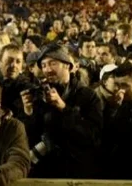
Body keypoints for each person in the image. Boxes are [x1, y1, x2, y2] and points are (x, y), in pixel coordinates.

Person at [20, 44, 103, 179]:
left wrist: (63, 108)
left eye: (53, 63)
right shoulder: (39, 94)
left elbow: (93, 136)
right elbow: (29, 136)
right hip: (44, 170)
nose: (47, 69)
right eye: (44, 65)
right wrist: (28, 112)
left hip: (76, 172)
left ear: (68, 66)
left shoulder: (88, 96)